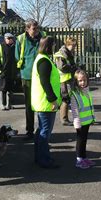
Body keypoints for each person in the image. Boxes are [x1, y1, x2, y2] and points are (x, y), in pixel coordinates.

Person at [31, 36, 61, 169]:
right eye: (53, 45)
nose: (55, 47)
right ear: (49, 46)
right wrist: (53, 99)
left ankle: (39, 157)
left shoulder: (42, 58)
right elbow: (45, 82)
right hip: (46, 103)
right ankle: (44, 159)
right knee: (45, 132)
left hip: (42, 102)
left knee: (41, 130)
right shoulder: (44, 61)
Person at [15, 19, 47, 140]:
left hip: (41, 74)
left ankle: (41, 129)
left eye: (37, 28)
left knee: (41, 103)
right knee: (29, 104)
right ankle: (29, 130)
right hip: (27, 75)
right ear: (27, 29)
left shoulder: (43, 36)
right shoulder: (21, 39)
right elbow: (17, 55)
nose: (36, 31)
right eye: (34, 29)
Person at [70, 70, 96, 169]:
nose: (82, 83)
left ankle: (84, 157)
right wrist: (77, 124)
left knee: (84, 140)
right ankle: (79, 159)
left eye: (84, 80)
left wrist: (92, 118)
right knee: (80, 141)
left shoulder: (87, 92)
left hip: (87, 121)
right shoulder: (74, 95)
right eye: (80, 81)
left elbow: (90, 106)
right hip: (80, 123)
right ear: (76, 81)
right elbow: (74, 110)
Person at [54, 37, 79, 126]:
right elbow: (62, 67)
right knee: (65, 99)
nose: (74, 48)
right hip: (64, 80)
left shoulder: (68, 52)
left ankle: (65, 119)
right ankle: (64, 119)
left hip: (68, 79)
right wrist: (73, 67)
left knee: (67, 99)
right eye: (73, 45)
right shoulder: (61, 54)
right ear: (68, 44)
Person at [0, 33, 17, 110]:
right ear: (5, 38)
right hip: (3, 72)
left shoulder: (15, 47)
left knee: (10, 89)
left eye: (11, 38)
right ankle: (2, 104)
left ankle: (9, 104)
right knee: (3, 89)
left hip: (12, 72)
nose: (10, 40)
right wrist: (1, 69)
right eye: (8, 38)